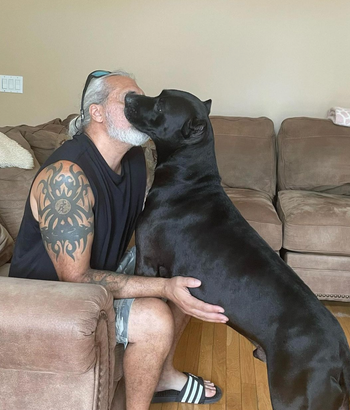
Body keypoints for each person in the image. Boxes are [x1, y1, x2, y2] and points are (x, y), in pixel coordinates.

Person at [9, 70, 228, 410]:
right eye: (130, 101)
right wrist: (163, 287)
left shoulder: (135, 157)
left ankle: (164, 378)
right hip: (47, 297)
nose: (142, 106)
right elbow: (76, 280)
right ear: (97, 112)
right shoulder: (66, 178)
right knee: (154, 316)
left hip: (98, 269)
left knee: (187, 265)